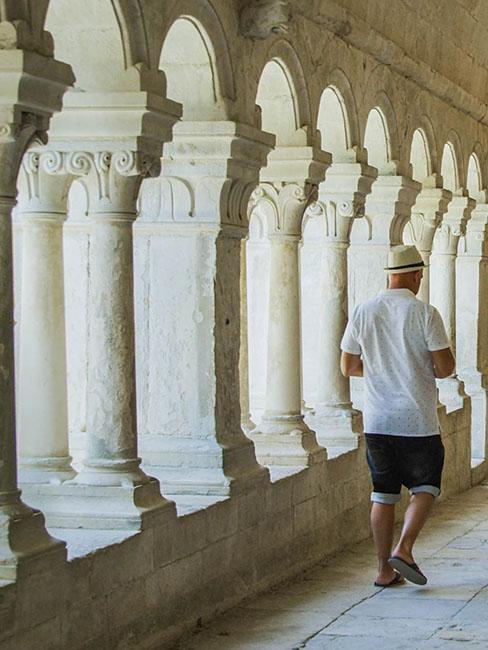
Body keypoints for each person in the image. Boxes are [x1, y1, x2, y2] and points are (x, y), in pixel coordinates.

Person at [340, 244, 455, 587]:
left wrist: (379, 371)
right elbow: (445, 367)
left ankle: (382, 570)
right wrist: (415, 368)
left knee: (383, 493)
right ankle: (404, 549)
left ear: (390, 275)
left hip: (377, 421)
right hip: (417, 420)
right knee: (426, 486)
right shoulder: (424, 313)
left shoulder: (364, 311)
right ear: (416, 275)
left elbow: (348, 366)